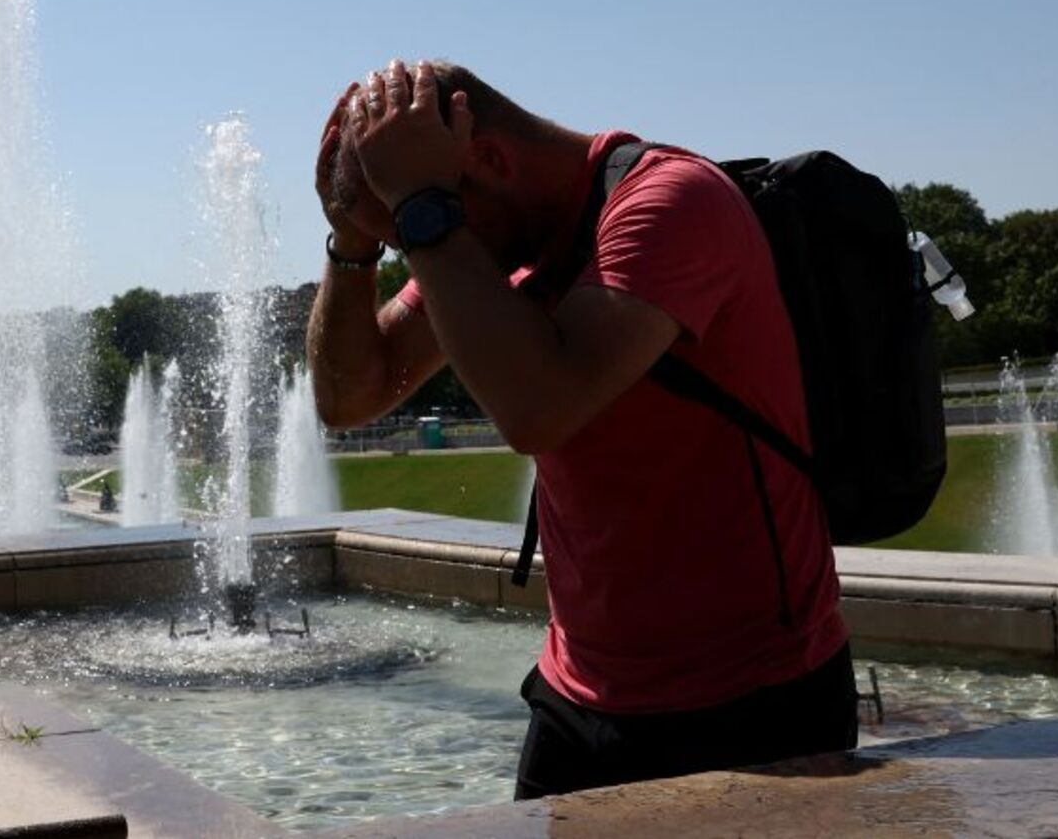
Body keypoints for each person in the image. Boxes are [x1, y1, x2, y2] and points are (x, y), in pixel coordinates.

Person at [306, 58, 857, 799]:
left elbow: (541, 407)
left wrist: (421, 208)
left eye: (412, 224)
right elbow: (350, 395)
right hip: (580, 694)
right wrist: (352, 242)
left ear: (488, 159)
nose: (418, 248)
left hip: (752, 698)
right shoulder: (482, 237)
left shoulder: (670, 204)